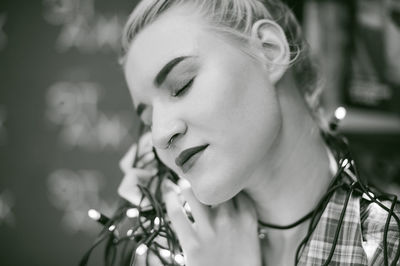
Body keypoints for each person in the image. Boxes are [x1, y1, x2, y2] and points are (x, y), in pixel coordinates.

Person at [116, 0, 400, 265]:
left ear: (269, 50)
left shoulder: (388, 247)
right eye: (150, 119)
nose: (160, 135)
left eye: (182, 85)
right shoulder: (172, 251)